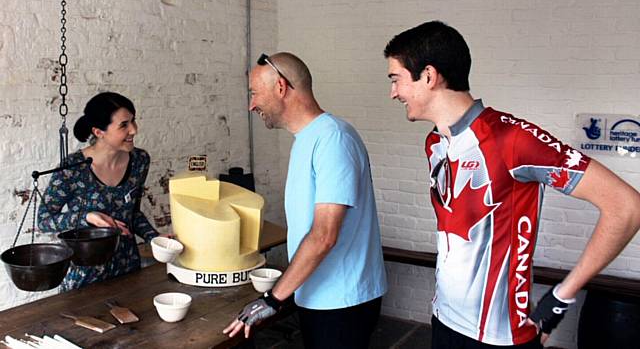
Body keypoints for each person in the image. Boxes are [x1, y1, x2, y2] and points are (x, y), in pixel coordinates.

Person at [384, 21, 640, 348]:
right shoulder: (435, 142)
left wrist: (560, 297)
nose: (393, 92)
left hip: (500, 338)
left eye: (396, 79)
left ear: (429, 76)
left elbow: (626, 207)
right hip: (443, 321)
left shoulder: (512, 139)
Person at [223, 52, 388, 348]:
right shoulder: (308, 139)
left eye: (254, 93)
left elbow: (324, 235)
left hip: (342, 302)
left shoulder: (333, 139)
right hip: (320, 296)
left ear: (281, 87)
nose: (252, 104)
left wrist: (273, 298)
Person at [37, 92, 160, 291]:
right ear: (98, 131)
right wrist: (87, 217)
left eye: (133, 121)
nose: (134, 130)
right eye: (124, 125)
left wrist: (154, 238)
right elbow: (43, 220)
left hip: (128, 269)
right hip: (84, 278)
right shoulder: (73, 167)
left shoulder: (140, 160)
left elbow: (133, 213)